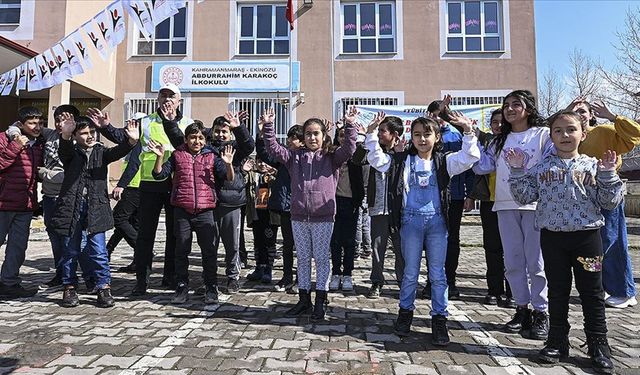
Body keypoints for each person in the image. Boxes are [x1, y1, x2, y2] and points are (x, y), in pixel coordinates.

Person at [507, 110, 622, 374]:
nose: (565, 135)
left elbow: (609, 202)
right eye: (557, 131)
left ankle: (598, 344)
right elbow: (524, 197)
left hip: (587, 240)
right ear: (551, 136)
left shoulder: (594, 166)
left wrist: (608, 175)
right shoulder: (541, 168)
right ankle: (557, 340)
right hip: (553, 239)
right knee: (557, 291)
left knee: (592, 293)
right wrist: (516, 170)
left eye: (571, 129)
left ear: (583, 133)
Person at [366, 111, 479, 346]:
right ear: (411, 137)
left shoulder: (445, 161)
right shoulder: (401, 161)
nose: (422, 139)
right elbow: (377, 159)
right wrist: (371, 133)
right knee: (410, 273)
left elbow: (470, 157)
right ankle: (405, 313)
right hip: (410, 223)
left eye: (427, 134)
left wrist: (467, 131)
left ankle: (439, 319)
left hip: (437, 223)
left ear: (437, 137)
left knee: (438, 275)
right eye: (417, 134)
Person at [262, 107, 357, 321]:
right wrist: (269, 127)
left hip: (323, 216)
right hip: (298, 215)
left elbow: (350, 148)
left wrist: (350, 125)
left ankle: (321, 300)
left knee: (322, 259)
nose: (312, 137)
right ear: (303, 137)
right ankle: (304, 299)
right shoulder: (294, 157)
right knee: (303, 258)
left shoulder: (332, 157)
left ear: (324, 136)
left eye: (316, 133)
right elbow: (274, 149)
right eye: (308, 133)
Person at [473, 90, 552, 341]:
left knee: (536, 263)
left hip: (534, 206)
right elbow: (481, 166)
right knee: (513, 262)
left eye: (516, 105)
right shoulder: (498, 141)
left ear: (528, 109)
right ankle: (521, 309)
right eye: (506, 105)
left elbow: (551, 161)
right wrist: (470, 139)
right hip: (505, 205)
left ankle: (542, 312)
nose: (509, 109)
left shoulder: (543, 135)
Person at [162, 111, 255, 294]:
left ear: (230, 133)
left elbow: (248, 145)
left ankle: (232, 277)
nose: (221, 135)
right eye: (217, 131)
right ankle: (207, 280)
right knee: (209, 246)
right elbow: (179, 140)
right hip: (207, 205)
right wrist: (170, 122)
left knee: (232, 244)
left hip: (230, 202)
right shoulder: (207, 147)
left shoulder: (234, 148)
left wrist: (239, 128)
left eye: (225, 131)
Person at [52, 114, 139, 308]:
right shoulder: (71, 153)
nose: (90, 136)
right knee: (70, 250)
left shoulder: (101, 152)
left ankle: (103, 287)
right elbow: (64, 150)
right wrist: (65, 134)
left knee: (98, 250)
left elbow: (119, 151)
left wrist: (132, 140)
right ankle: (69, 286)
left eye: (92, 132)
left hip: (96, 208)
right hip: (71, 207)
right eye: (84, 133)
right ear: (75, 135)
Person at [150, 121, 235, 304]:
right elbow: (159, 175)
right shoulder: (177, 155)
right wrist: (159, 157)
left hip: (206, 211)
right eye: (193, 137)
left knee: (209, 252)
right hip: (182, 210)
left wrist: (228, 164)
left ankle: (211, 287)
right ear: (186, 139)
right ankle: (181, 286)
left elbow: (228, 178)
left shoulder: (212, 156)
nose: (196, 141)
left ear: (205, 140)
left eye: (200, 138)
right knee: (181, 250)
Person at [569, 98, 640, 309]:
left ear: (591, 115)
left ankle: (624, 291)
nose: (579, 114)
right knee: (591, 243)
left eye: (583, 111)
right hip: (582, 196)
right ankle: (600, 287)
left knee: (611, 241)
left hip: (607, 190)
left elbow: (636, 133)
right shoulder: (569, 135)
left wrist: (612, 116)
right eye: (575, 111)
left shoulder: (604, 131)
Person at [129, 83, 193, 296]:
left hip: (177, 183)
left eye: (171, 95)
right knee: (145, 235)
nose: (167, 99)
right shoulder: (145, 121)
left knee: (175, 234)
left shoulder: (188, 123)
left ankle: (171, 277)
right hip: (150, 183)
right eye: (163, 95)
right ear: (157, 98)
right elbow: (125, 140)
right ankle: (141, 281)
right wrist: (105, 127)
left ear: (179, 100)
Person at [421, 97, 476, 300]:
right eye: (435, 115)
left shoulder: (456, 135)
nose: (439, 120)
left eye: (441, 115)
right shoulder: (424, 138)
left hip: (454, 196)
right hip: (430, 197)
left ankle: (450, 281)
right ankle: (431, 281)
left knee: (452, 239)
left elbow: (470, 167)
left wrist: (470, 194)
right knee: (431, 239)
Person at [351, 114, 405, 299]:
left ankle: (403, 283)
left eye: (383, 131)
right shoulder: (373, 150)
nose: (380, 134)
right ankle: (376, 282)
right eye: (379, 131)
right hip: (378, 208)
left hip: (400, 210)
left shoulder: (406, 154)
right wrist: (368, 135)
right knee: (377, 247)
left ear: (395, 134)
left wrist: (399, 153)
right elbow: (357, 160)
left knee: (401, 249)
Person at [468, 109, 514, 307]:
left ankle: (514, 292)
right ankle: (494, 290)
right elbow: (481, 168)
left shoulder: (516, 141)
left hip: (514, 203)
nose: (498, 126)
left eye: (502, 122)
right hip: (491, 202)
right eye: (494, 122)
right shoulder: (490, 143)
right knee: (492, 248)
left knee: (513, 250)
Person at [0, 106, 45, 299]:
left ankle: (9, 283)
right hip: (2, 203)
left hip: (25, 205)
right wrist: (16, 145)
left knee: (18, 247)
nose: (37, 127)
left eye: (40, 123)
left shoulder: (38, 144)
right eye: (32, 123)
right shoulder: (3, 138)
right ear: (20, 124)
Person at [255, 123, 304, 293]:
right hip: (285, 207)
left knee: (302, 247)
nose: (290, 141)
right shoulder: (284, 157)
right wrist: (262, 135)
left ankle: (301, 279)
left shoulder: (307, 158)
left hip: (302, 208)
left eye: (294, 138)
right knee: (287, 245)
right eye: (289, 137)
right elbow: (265, 154)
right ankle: (286, 277)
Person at [105, 112, 147, 272]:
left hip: (134, 187)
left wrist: (121, 185)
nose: (130, 125)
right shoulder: (131, 140)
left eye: (134, 122)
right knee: (132, 223)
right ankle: (137, 260)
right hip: (136, 187)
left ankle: (143, 250)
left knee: (119, 219)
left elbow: (134, 165)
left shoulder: (140, 141)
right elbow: (116, 134)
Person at [329, 125, 366, 293]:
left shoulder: (356, 154)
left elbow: (363, 150)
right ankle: (336, 273)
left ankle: (348, 274)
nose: (344, 138)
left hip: (351, 201)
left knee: (350, 241)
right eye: (341, 135)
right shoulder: (332, 154)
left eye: (347, 135)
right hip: (333, 201)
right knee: (335, 241)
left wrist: (365, 132)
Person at [244, 157, 279, 284]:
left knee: (269, 241)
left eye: (265, 162)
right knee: (258, 241)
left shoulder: (274, 174)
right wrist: (244, 171)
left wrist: (273, 175)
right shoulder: (252, 174)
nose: (262, 164)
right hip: (256, 213)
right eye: (259, 161)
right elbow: (243, 183)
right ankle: (259, 266)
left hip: (270, 215)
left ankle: (269, 268)